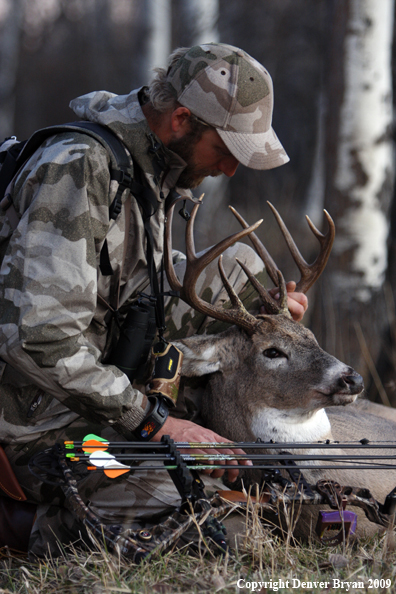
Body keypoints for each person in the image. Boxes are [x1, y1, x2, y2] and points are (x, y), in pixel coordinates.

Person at [0, 43, 307, 556]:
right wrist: (155, 421)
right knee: (187, 492)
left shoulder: (150, 167)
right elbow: (38, 339)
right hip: (31, 424)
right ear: (182, 118)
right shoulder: (78, 172)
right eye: (226, 149)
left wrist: (259, 308)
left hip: (92, 371)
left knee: (247, 267)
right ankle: (36, 520)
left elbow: (131, 282)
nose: (231, 169)